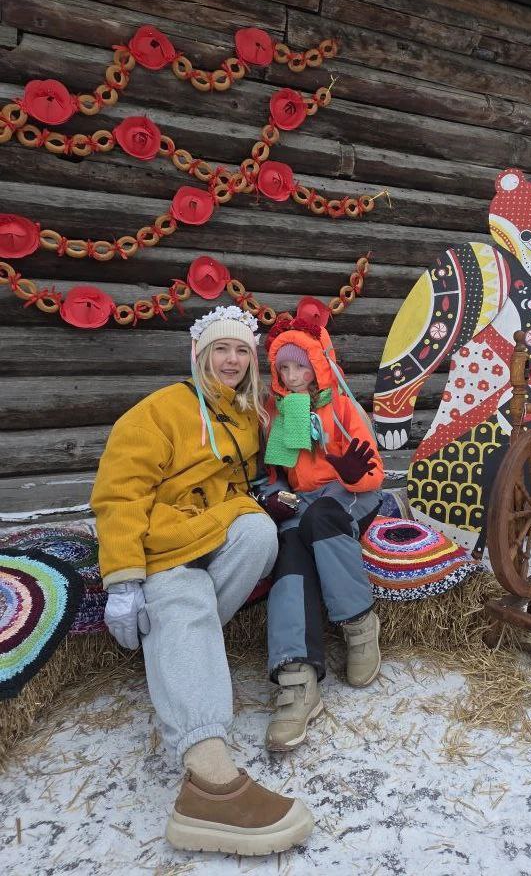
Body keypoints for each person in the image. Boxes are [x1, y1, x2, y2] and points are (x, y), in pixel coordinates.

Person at [90, 305, 314, 857]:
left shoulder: (242, 416)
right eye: (222, 349)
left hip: (210, 530)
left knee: (261, 534)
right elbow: (119, 496)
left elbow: (246, 481)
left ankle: (179, 650)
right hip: (163, 541)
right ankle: (208, 781)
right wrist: (122, 580)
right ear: (200, 354)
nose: (233, 359)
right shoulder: (160, 411)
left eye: (241, 351)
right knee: (186, 597)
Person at [259, 297, 384, 751]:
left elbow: (372, 473)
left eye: (300, 368)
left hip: (349, 496)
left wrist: (349, 469)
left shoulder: (343, 407)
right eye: (283, 370)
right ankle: (296, 675)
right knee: (291, 548)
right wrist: (272, 497)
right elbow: (271, 474)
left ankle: (357, 622)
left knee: (322, 519)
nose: (292, 378)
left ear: (319, 365)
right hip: (304, 499)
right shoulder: (279, 414)